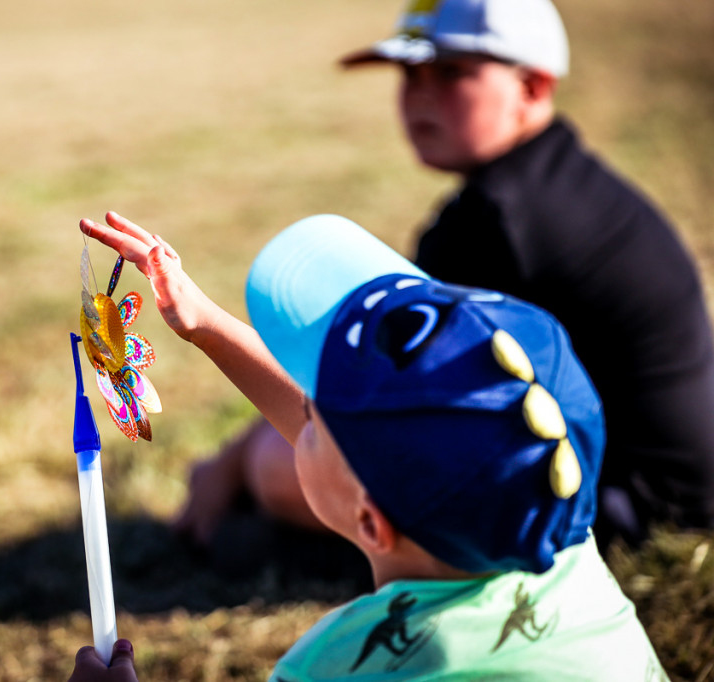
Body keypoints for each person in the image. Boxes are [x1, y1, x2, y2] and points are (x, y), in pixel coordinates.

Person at [174, 0, 714, 549]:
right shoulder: (552, 184)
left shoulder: (497, 223)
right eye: (410, 74)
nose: (420, 96)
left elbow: (372, 387)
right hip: (665, 486)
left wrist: (236, 462)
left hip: (623, 507)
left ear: (533, 87)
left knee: (276, 462)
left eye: (453, 73)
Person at [71, 213, 670, 680]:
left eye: (314, 412)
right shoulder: (568, 555)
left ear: (369, 521)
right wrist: (202, 322)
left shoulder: (341, 668)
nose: (302, 407)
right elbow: (351, 456)